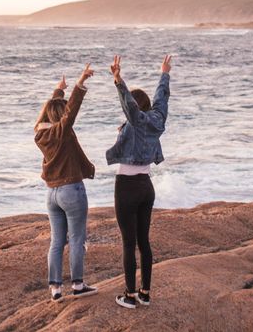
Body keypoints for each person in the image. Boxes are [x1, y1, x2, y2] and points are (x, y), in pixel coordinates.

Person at [106, 54, 172, 309]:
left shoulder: (137, 120)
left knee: (128, 243)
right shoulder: (156, 120)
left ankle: (129, 296)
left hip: (127, 188)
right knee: (144, 242)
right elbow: (162, 99)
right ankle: (145, 292)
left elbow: (130, 107)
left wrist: (118, 80)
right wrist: (164, 73)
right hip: (146, 187)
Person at [34, 63, 99, 303]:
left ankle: (55, 289)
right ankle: (78, 284)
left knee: (56, 242)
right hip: (72, 190)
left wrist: (57, 92)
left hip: (51, 194)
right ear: (60, 116)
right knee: (77, 240)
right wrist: (80, 82)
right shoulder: (62, 131)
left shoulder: (40, 134)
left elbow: (44, 116)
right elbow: (71, 111)